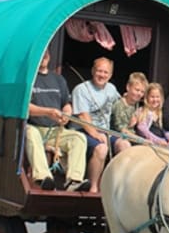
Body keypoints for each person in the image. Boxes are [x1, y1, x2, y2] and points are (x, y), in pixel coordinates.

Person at [25, 50, 91, 192]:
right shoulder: (28, 79)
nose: (43, 57)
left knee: (79, 138)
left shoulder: (58, 79)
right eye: (40, 54)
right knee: (30, 133)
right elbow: (25, 107)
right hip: (34, 126)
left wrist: (67, 113)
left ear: (49, 56)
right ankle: (43, 178)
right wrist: (48, 112)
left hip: (55, 131)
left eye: (46, 54)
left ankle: (73, 181)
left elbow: (66, 103)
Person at [71, 56, 120, 193]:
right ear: (93, 71)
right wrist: (97, 134)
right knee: (102, 148)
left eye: (105, 72)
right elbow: (83, 117)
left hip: (105, 131)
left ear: (110, 75)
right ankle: (93, 188)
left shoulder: (111, 88)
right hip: (83, 130)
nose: (102, 75)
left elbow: (120, 105)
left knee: (125, 145)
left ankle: (115, 188)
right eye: (99, 71)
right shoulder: (81, 89)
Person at [134, 82, 169, 148]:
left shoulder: (161, 113)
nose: (155, 100)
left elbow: (165, 130)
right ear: (147, 97)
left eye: (157, 97)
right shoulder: (142, 111)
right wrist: (158, 141)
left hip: (163, 142)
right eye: (152, 97)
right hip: (149, 143)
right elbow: (143, 130)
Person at [110, 71, 148, 147]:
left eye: (142, 92)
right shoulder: (119, 105)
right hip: (116, 136)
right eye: (137, 90)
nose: (139, 94)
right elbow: (121, 130)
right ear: (128, 87)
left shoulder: (136, 104)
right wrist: (140, 140)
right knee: (125, 145)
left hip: (131, 136)